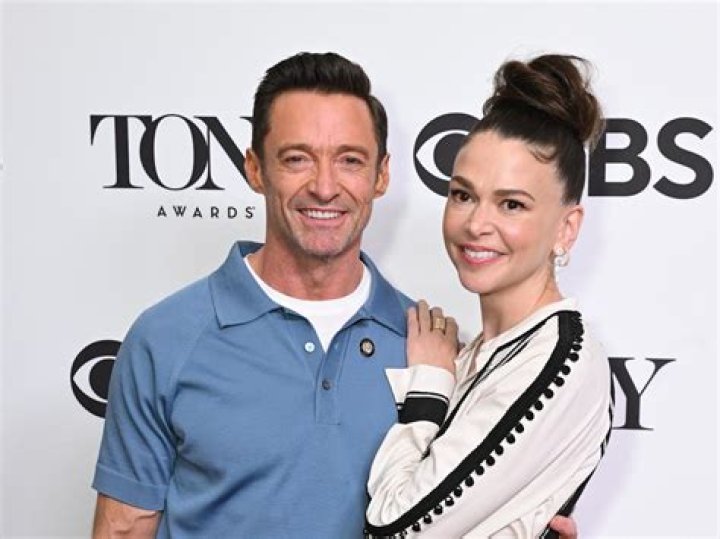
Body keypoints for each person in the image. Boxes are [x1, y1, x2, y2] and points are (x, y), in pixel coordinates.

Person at [91, 52, 578, 538]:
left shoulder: (435, 353)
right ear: (255, 169)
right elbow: (122, 529)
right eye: (297, 158)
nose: (324, 187)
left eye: (350, 160)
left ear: (381, 175)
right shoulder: (167, 338)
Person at [364, 54, 612, 537]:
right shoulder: (483, 351)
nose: (477, 224)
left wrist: (429, 388)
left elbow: (394, 528)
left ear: (566, 228)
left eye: (511, 204)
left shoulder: (558, 358)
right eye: (463, 195)